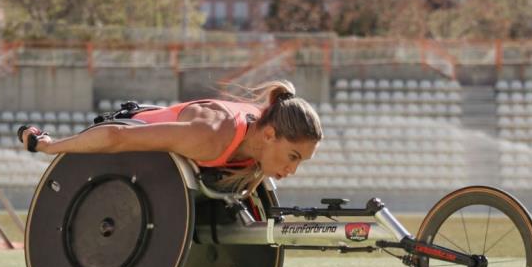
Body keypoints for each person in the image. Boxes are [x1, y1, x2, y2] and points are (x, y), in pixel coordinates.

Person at [18, 80, 322, 192]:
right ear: (269, 135)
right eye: (293, 157)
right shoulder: (212, 135)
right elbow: (116, 138)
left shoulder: (262, 135)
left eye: (301, 162)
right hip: (127, 131)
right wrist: (49, 145)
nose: (292, 170)